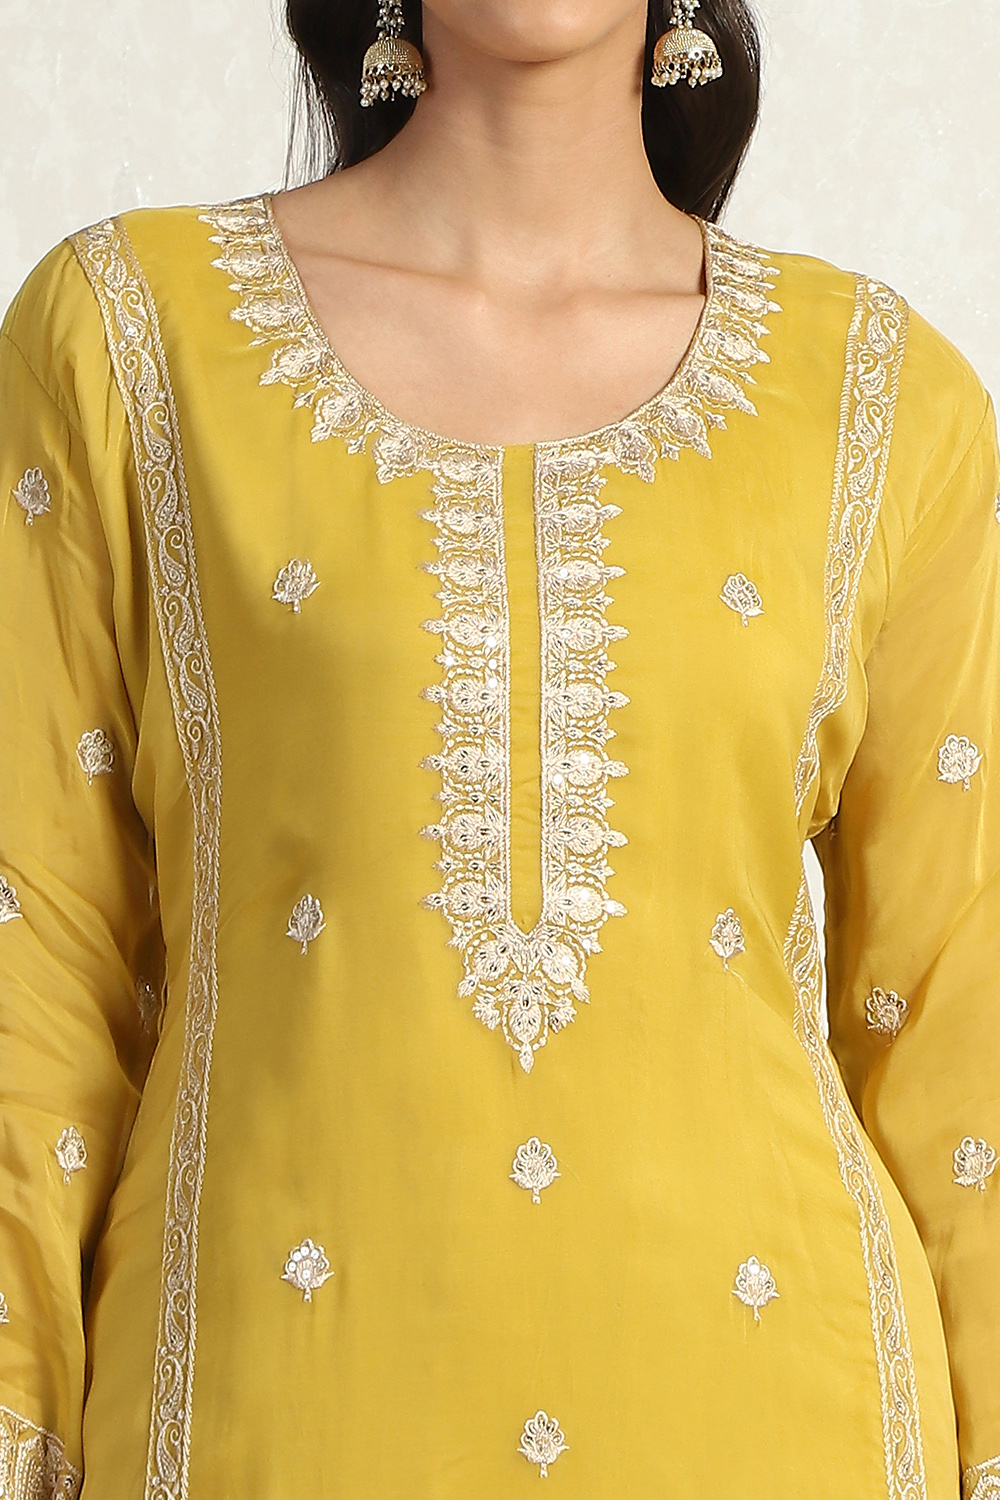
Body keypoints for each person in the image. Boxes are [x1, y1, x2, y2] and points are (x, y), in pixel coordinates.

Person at [0, 0, 997, 1495]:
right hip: (271, 1414)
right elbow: (35, 971)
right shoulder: (126, 337)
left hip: (783, 1417)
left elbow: (962, 1024)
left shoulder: (884, 397)